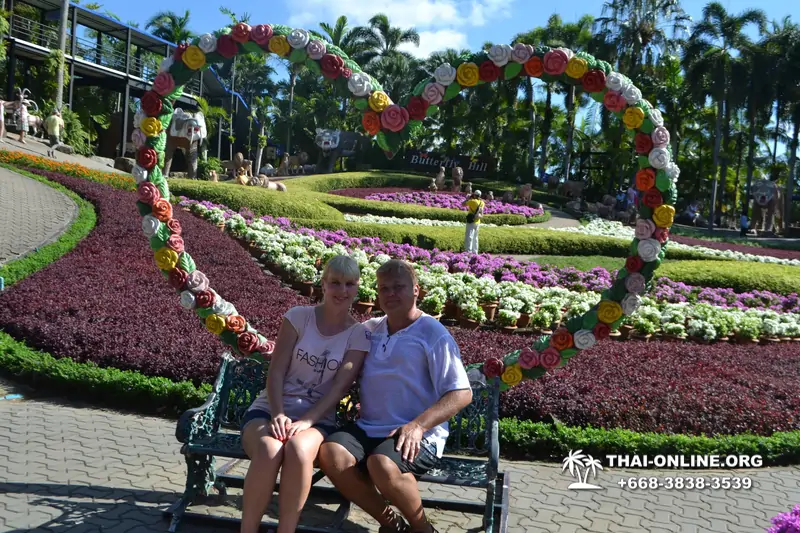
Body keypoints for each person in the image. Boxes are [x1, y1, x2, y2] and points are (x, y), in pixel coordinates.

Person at [318, 259, 473, 533]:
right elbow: (328, 338)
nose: (390, 294)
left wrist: (418, 425)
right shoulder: (371, 329)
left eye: (398, 287)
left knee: (382, 464)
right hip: (369, 428)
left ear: (416, 290)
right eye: (384, 288)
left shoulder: (433, 333)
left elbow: (461, 393)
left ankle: (422, 528)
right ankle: (391, 524)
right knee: (332, 453)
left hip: (418, 434)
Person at [239, 255, 371, 533]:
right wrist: (278, 414)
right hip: (270, 410)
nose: (342, 290)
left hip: (318, 418)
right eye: (335, 283)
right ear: (323, 284)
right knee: (269, 448)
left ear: (358, 288)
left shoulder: (358, 334)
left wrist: (306, 422)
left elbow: (339, 388)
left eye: (349, 284)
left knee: (299, 450)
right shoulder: (299, 317)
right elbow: (275, 373)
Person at [461, 190, 485, 254]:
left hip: (471, 221)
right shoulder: (482, 202)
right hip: (478, 221)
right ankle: (475, 252)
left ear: (474, 195)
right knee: (475, 237)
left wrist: (468, 198)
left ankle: (468, 252)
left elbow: (462, 204)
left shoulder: (472, 201)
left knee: (469, 236)